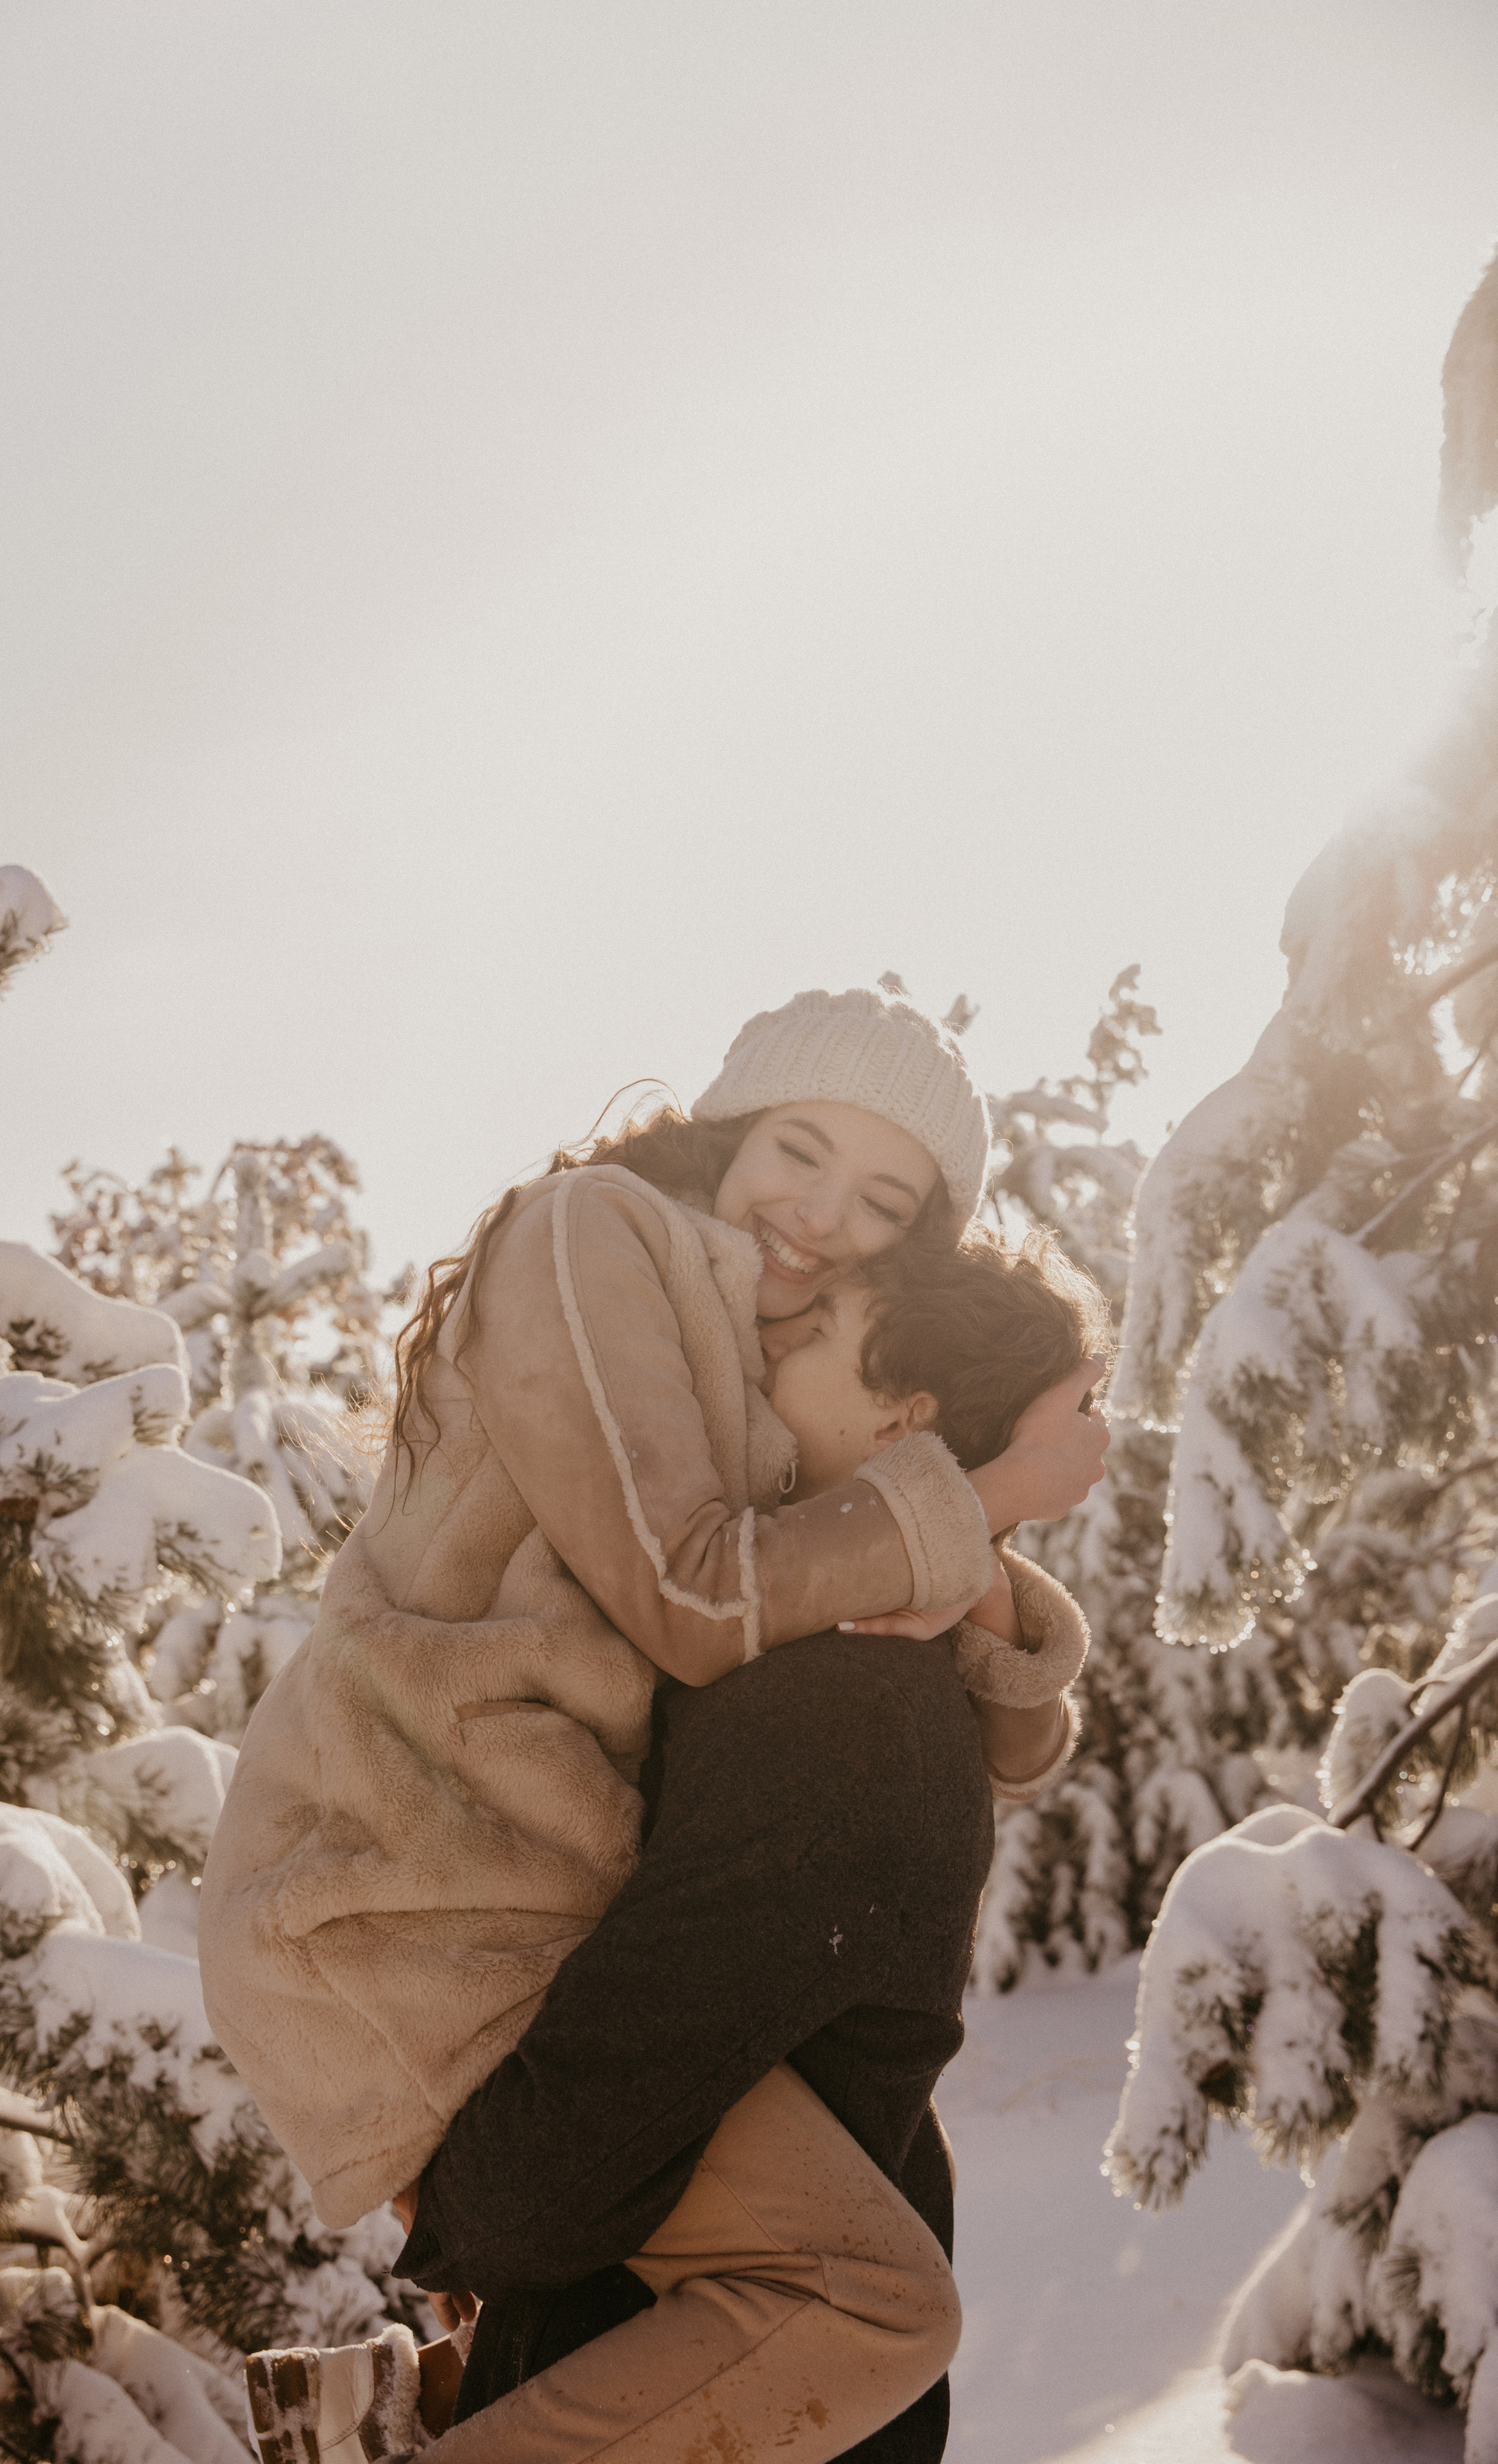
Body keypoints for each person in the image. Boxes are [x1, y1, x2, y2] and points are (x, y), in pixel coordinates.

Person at [204, 991, 1107, 2462]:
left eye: (882, 1203)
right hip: (410, 1894)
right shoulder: (593, 1233)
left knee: (762, 2303)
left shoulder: (757, 1354)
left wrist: (979, 1564)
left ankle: (402, 2412)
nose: (820, 1217)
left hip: (535, 1894)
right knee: (864, 2302)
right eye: (797, 1150)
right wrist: (988, 1493)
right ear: (727, 1125)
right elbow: (691, 1594)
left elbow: (982, 1742)